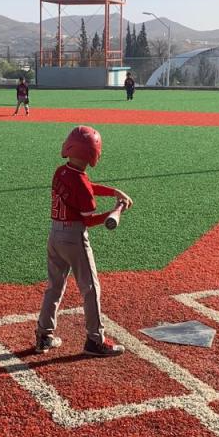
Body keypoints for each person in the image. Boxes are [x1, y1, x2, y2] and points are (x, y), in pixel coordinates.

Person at [35, 125, 133, 357]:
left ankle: (44, 335)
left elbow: (86, 186)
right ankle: (95, 340)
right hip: (73, 238)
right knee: (90, 288)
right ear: (92, 154)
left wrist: (113, 192)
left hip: (55, 235)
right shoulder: (80, 182)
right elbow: (89, 219)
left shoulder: (60, 171)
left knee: (54, 287)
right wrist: (117, 208)